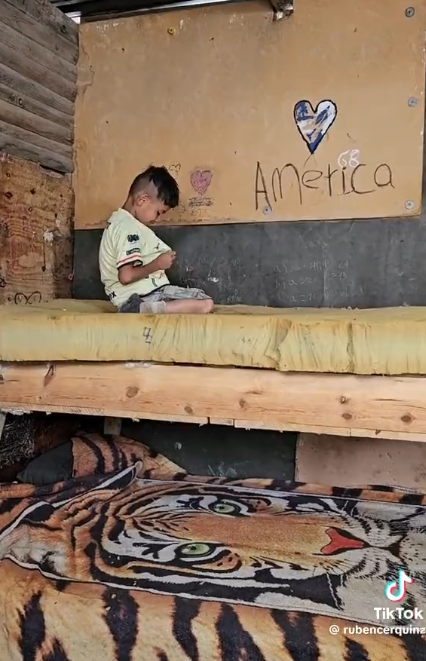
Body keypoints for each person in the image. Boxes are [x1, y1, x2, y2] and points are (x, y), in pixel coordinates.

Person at [99, 166, 214, 314]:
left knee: (200, 297)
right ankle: (145, 309)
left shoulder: (120, 223)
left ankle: (147, 308)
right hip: (142, 296)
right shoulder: (128, 228)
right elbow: (126, 276)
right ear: (142, 200)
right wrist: (158, 264)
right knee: (205, 303)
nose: (157, 219)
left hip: (142, 294)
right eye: (158, 212)